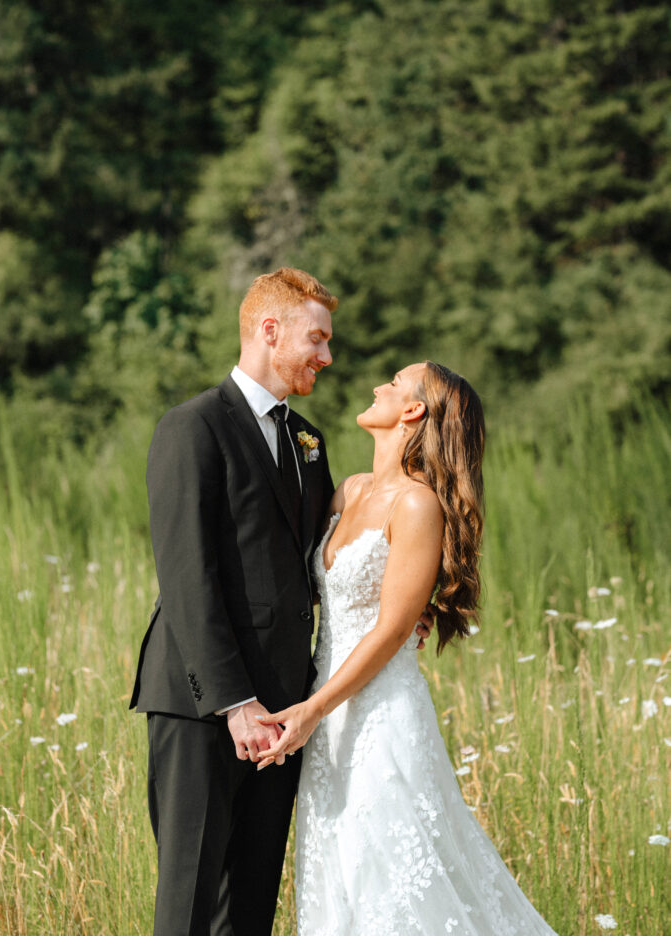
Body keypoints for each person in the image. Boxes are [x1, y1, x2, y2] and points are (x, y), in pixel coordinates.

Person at [256, 361, 560, 935]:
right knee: (337, 873)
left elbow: (392, 629)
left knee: (387, 874)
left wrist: (310, 710)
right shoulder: (348, 490)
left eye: (394, 383)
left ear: (414, 410)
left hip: (376, 717)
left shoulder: (417, 506)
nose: (379, 387)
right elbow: (325, 596)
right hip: (327, 721)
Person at [129, 267, 338, 936]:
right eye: (318, 340)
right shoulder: (192, 427)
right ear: (269, 331)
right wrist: (235, 702)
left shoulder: (308, 439)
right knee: (189, 906)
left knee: (248, 911)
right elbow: (187, 574)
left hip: (283, 712)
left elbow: (320, 561)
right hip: (202, 703)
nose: (327, 358)